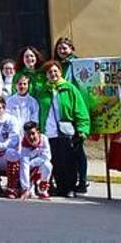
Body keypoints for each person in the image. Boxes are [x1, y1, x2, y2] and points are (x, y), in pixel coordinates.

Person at [42, 60, 89, 198]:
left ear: (60, 72)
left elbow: (80, 110)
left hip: (66, 131)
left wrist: (83, 129)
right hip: (49, 132)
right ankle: (60, 187)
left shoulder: (70, 88)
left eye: (55, 71)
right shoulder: (43, 91)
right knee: (55, 161)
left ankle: (69, 188)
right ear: (46, 75)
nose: (53, 74)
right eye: (50, 72)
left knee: (69, 161)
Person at [51, 36, 88, 194]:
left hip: (74, 108)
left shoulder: (77, 65)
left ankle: (82, 180)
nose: (62, 50)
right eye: (59, 48)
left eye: (65, 48)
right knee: (61, 152)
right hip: (59, 112)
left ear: (71, 49)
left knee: (77, 150)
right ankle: (61, 183)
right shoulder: (56, 66)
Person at [19, 121, 52, 200]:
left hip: (38, 166)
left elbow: (46, 156)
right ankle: (27, 188)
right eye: (28, 134)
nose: (31, 137)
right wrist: (25, 188)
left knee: (48, 165)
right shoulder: (24, 144)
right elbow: (24, 164)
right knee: (29, 193)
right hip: (29, 170)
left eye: (33, 133)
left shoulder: (44, 139)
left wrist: (32, 164)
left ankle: (42, 188)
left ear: (38, 132)